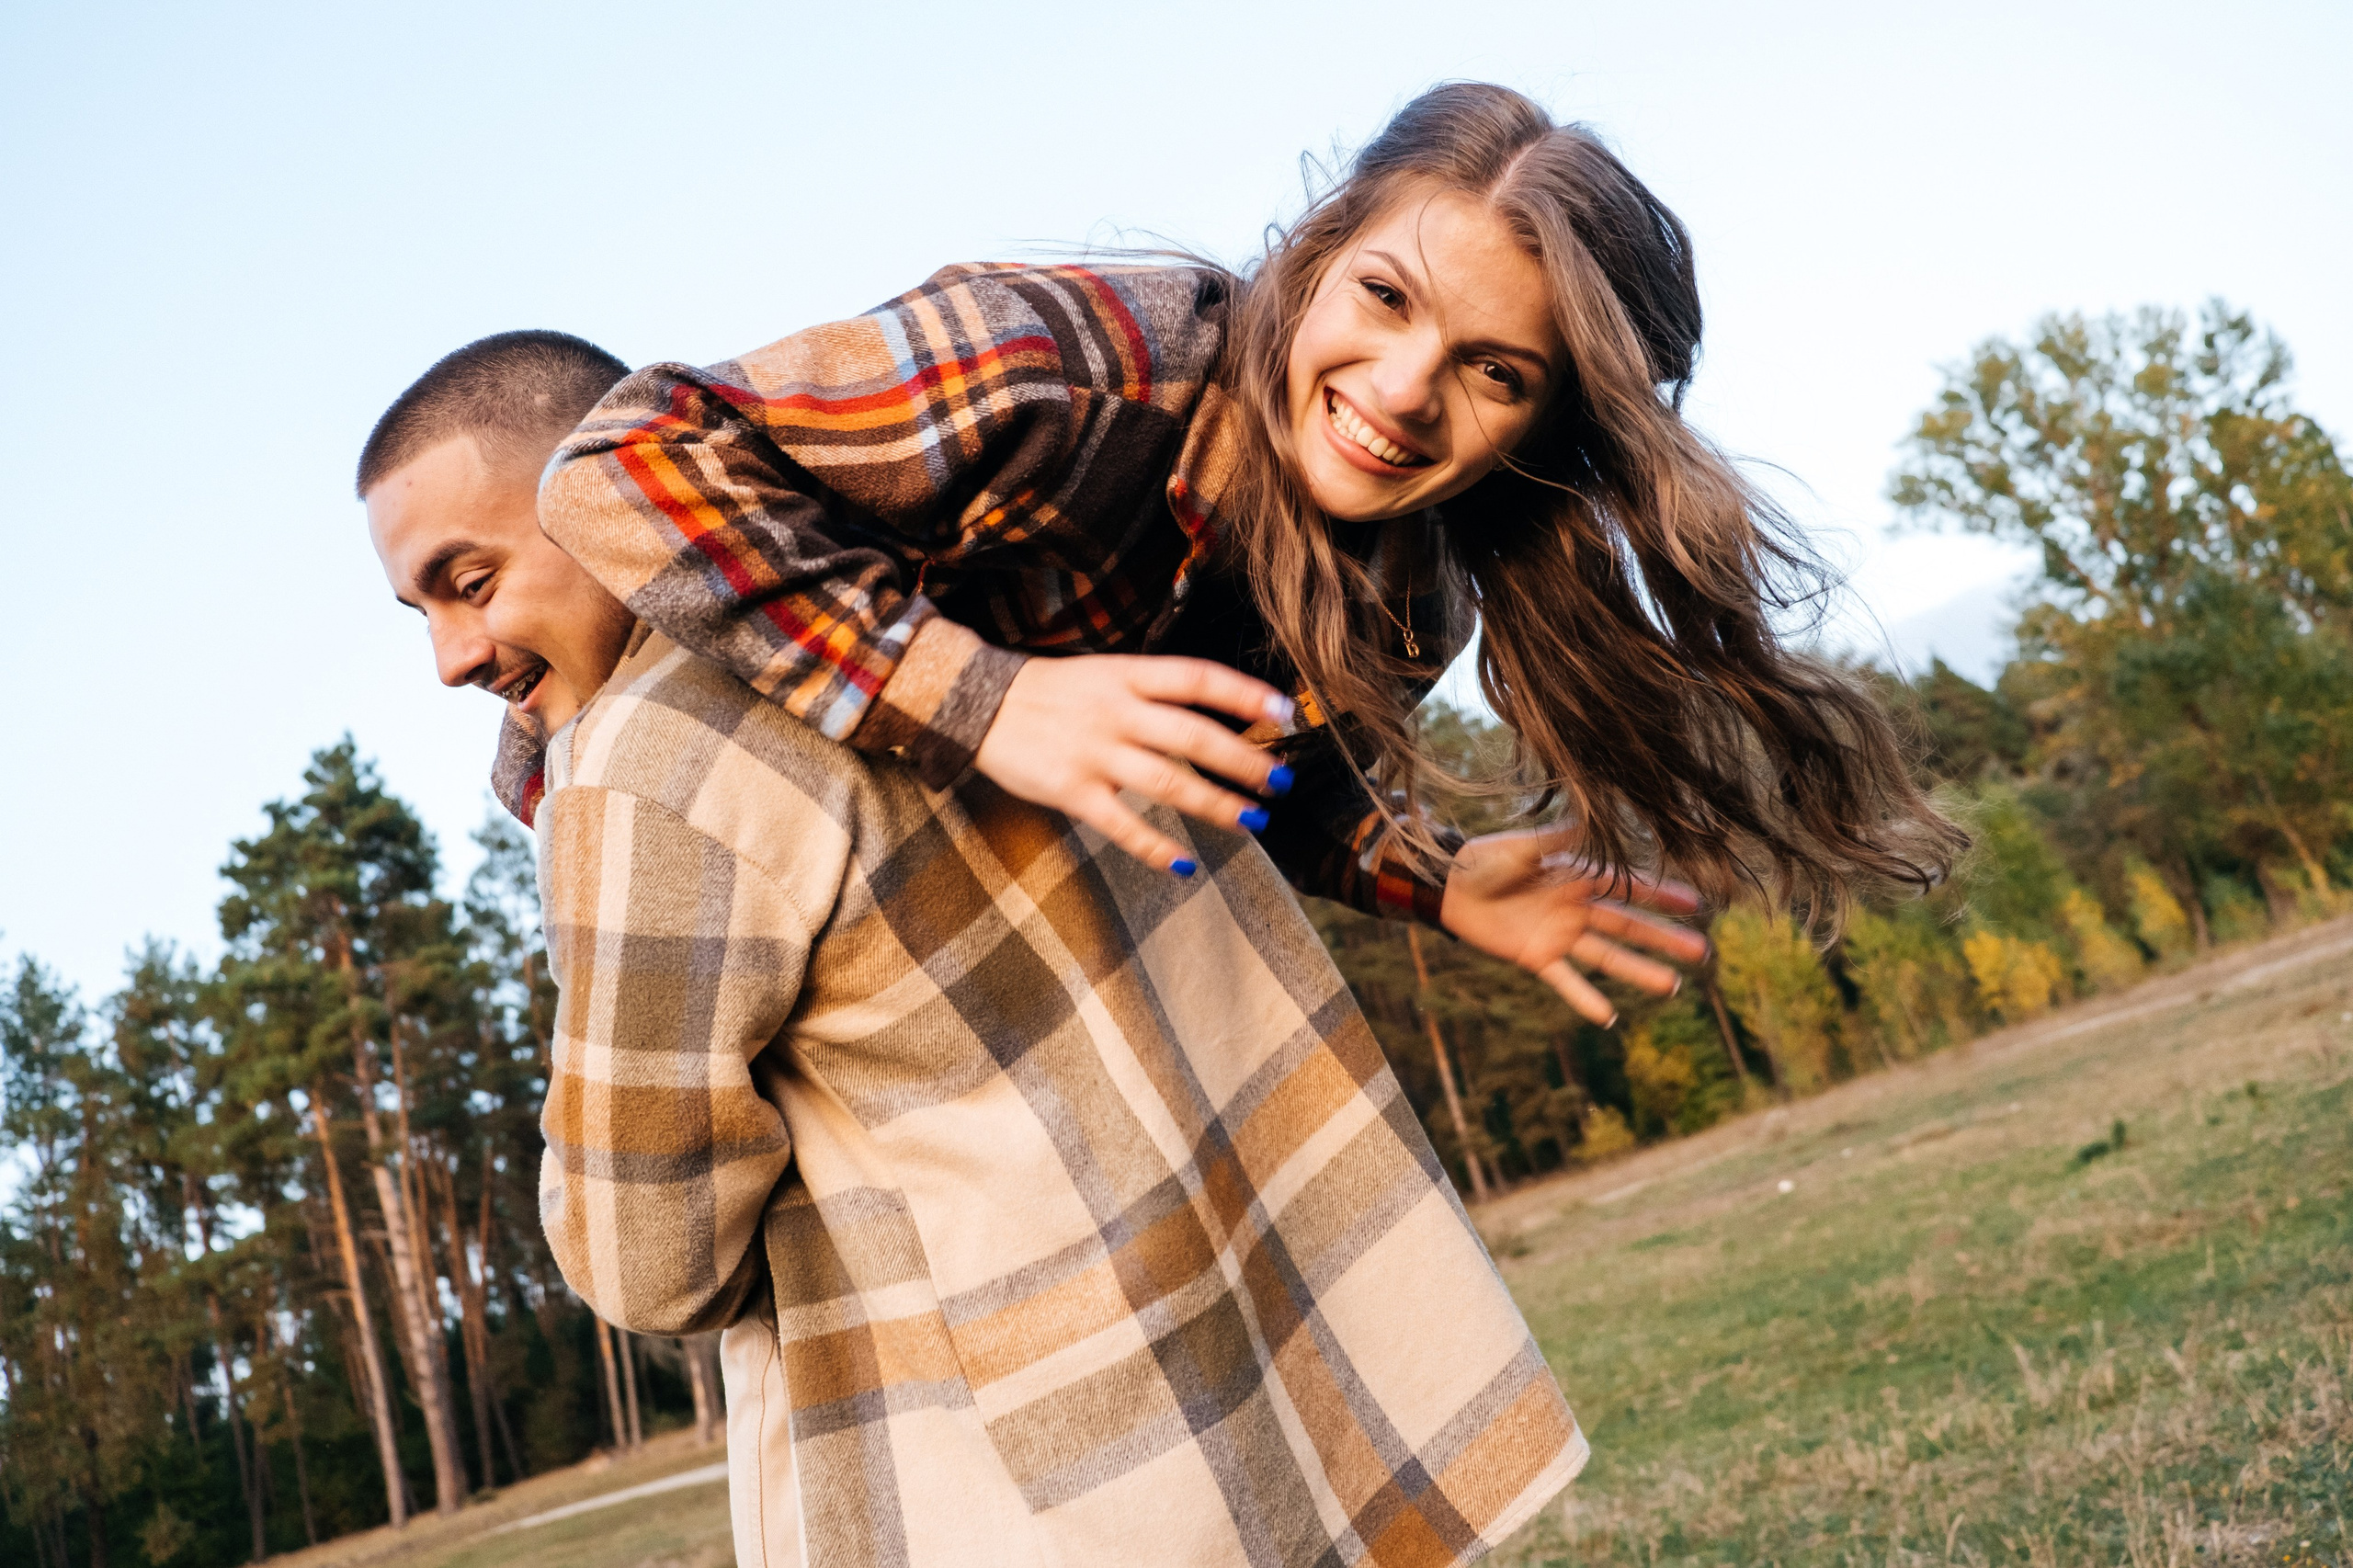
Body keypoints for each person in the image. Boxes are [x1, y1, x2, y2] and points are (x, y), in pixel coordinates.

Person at [364, 334, 1598, 1566]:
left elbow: (648, 1262)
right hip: (1283, 1338)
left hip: (1023, 1474)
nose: (451, 658)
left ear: (596, 488)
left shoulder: (642, 769)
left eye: (471, 581)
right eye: (423, 614)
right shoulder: (984, 554)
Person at [513, 82, 1963, 1039]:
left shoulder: (1414, 595)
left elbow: (1265, 785)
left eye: (1495, 372)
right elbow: (620, 455)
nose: (1403, 390)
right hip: (679, 843)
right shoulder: (1068, 367)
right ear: (1318, 256)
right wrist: (983, 696)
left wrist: (1437, 880)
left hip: (932, 953)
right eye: (1384, 297)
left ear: (1546, 429)